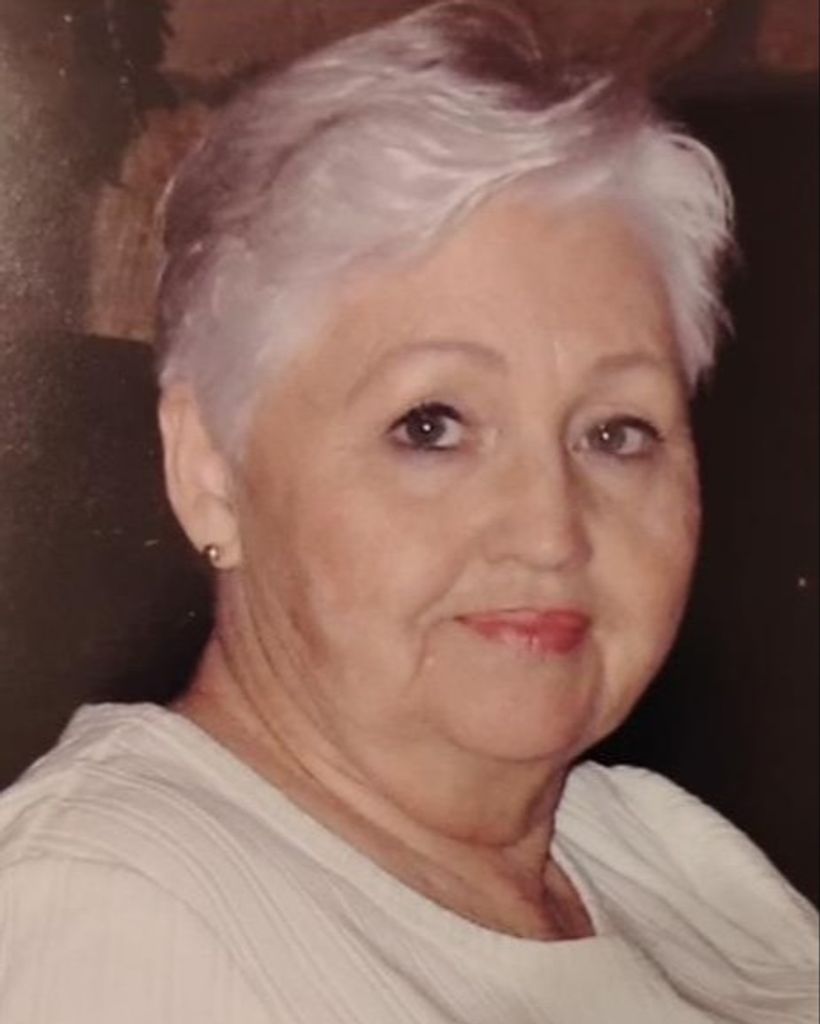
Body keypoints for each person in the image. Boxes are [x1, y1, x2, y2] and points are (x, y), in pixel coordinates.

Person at [0, 3, 816, 1022]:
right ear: (210, 470)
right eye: (431, 426)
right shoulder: (111, 917)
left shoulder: (654, 848)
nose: (550, 532)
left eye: (616, 431)